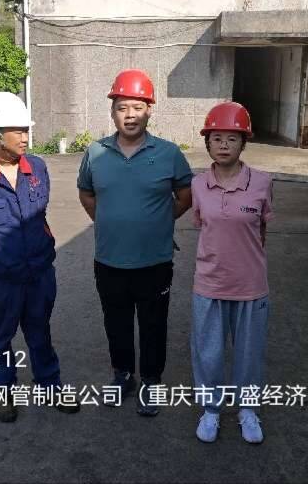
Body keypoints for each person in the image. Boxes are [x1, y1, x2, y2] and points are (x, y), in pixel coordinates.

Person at [0, 91, 79, 422]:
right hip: (1, 278)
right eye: (18, 131)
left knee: (40, 331)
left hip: (40, 271)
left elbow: (41, 214)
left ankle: (49, 385)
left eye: (26, 129)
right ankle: (5, 391)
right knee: (0, 337)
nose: (26, 137)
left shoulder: (37, 167)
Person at [77, 68, 193, 417]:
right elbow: (86, 194)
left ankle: (152, 382)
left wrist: (158, 222)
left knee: (154, 324)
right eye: (122, 107)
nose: (130, 115)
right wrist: (109, 221)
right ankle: (123, 375)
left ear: (149, 111)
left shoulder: (169, 153)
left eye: (138, 107)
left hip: (154, 262)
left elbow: (185, 195)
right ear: (112, 112)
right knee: (116, 323)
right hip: (109, 260)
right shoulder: (95, 153)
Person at [190, 102, 273, 444]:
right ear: (208, 143)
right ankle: (210, 410)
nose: (224, 145)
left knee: (249, 354)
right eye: (217, 138)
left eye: (232, 138)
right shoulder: (198, 185)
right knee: (208, 352)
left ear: (244, 143)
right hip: (209, 283)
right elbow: (203, 225)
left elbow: (261, 230)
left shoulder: (263, 183)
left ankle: (247, 410)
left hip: (250, 285)